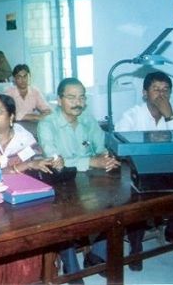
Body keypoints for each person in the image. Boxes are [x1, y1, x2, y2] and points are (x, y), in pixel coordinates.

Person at [37, 77, 120, 276]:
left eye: (82, 98)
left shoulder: (88, 119)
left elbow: (100, 149)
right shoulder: (47, 124)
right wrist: (91, 161)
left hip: (90, 178)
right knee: (64, 216)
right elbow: (56, 162)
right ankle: (70, 263)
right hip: (61, 183)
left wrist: (106, 158)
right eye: (71, 97)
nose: (78, 103)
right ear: (59, 100)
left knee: (117, 203)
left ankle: (96, 254)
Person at [0, 94, 60, 284]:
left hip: (26, 199)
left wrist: (53, 162)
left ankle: (39, 275)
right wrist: (24, 166)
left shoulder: (24, 137)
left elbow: (37, 163)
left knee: (41, 226)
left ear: (11, 117)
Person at [116, 71, 173, 271]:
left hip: (167, 168)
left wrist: (169, 116)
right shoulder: (132, 115)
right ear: (144, 93)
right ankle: (135, 247)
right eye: (155, 89)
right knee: (136, 201)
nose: (161, 94)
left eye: (165, 90)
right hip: (137, 169)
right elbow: (121, 145)